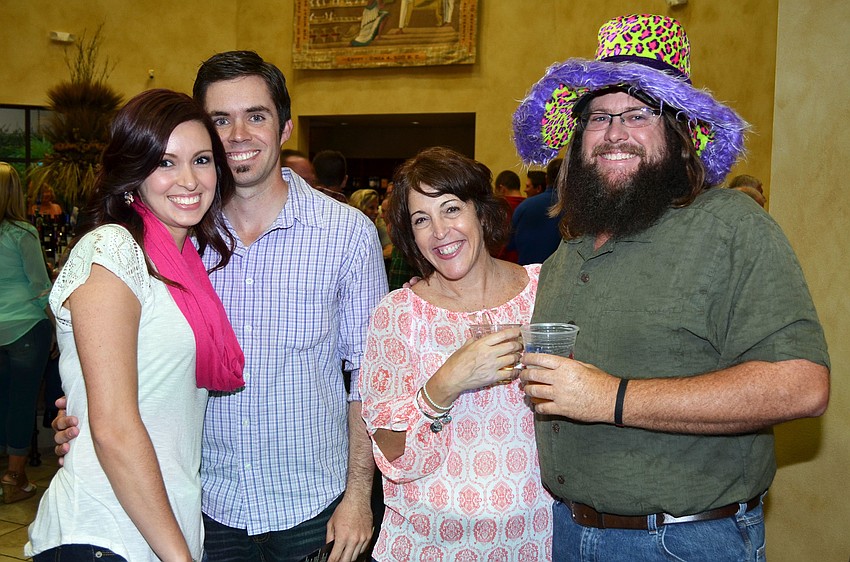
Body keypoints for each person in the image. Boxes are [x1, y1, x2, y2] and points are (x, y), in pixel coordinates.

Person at [512, 13, 830, 561]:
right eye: (598, 117)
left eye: (639, 114)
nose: (614, 133)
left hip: (683, 542)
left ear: (679, 132)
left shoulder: (729, 225)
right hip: (566, 533)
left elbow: (801, 385)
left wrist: (609, 398)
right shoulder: (569, 247)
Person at [53, 52, 388, 562]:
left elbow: (369, 375)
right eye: (220, 120)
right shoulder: (173, 241)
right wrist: (82, 412)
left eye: (256, 116)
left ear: (285, 127)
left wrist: (359, 498)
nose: (238, 134)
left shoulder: (347, 236)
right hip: (205, 508)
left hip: (313, 505)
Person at [26, 89, 244, 561]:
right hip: (106, 531)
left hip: (160, 531)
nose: (189, 179)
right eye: (165, 162)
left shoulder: (184, 266)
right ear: (133, 174)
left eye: (202, 160)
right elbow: (114, 429)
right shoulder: (113, 248)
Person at [360, 147, 553, 560]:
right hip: (427, 545)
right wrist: (446, 383)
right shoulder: (398, 314)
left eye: (451, 209)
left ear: (481, 212)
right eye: (421, 220)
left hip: (538, 540)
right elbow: (392, 456)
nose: (440, 231)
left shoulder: (546, 291)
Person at [0, 162, 52, 505]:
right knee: (20, 405)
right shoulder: (22, 233)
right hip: (26, 330)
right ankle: (14, 480)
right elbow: (40, 287)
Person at [507, 158, 563, 265]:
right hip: (561, 274)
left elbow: (510, 243)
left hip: (528, 273)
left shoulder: (524, 206)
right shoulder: (574, 210)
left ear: (546, 179)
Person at [350, 188, 392, 261]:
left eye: (377, 207)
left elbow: (389, 250)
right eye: (371, 208)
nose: (376, 212)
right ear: (359, 208)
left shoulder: (379, 224)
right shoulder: (347, 228)